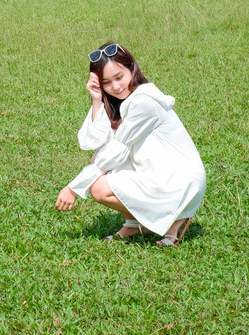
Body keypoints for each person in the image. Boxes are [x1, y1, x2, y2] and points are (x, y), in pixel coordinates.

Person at [54, 42, 206, 246]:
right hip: (158, 171)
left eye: (119, 77)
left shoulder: (144, 102)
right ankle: (134, 223)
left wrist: (73, 188)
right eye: (107, 82)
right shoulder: (122, 100)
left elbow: (115, 151)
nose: (116, 87)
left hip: (180, 180)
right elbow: (94, 141)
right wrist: (97, 100)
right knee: (97, 160)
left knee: (98, 185)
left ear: (131, 68)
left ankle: (177, 217)